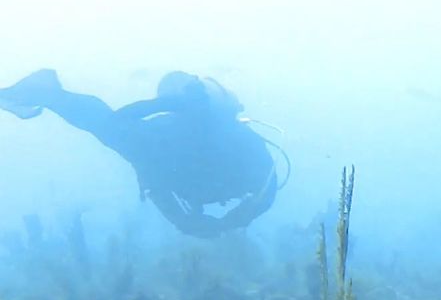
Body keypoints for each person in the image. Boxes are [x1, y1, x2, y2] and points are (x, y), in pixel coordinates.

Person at [0, 70, 286, 238]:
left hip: (176, 162)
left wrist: (215, 221)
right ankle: (48, 93)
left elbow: (267, 182)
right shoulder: (173, 134)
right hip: (175, 160)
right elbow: (267, 183)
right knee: (114, 130)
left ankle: (48, 92)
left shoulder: (229, 134)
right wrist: (203, 222)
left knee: (112, 129)